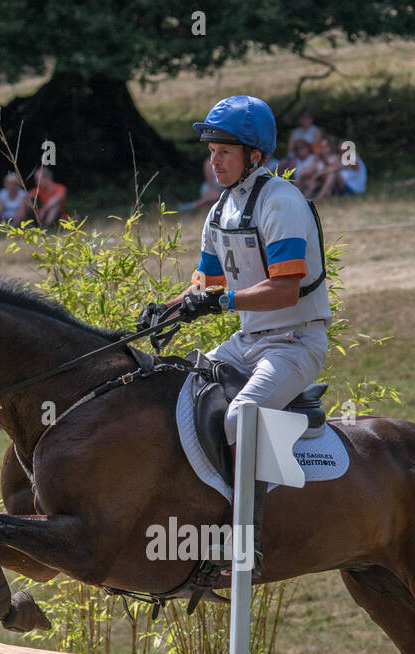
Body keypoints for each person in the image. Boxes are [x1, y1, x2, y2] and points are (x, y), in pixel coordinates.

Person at [136, 94, 331, 581]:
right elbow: (207, 285)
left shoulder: (282, 203)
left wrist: (221, 303)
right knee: (180, 392)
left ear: (255, 156)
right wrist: (169, 310)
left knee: (242, 416)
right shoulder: (221, 210)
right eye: (211, 150)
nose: (213, 160)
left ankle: (247, 540)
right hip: (250, 341)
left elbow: (285, 289)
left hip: (294, 343)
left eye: (224, 151)